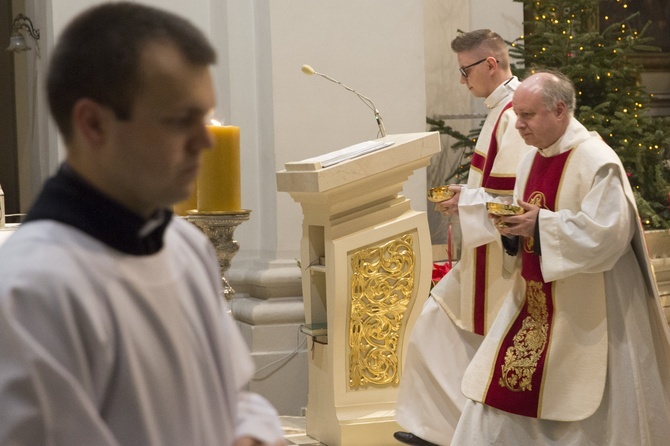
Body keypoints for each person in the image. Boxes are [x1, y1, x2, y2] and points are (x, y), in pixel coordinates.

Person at [0, 3, 285, 446]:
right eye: (179, 121)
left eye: (205, 118)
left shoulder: (185, 245)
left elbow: (234, 402)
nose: (206, 142)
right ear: (93, 123)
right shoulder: (31, 288)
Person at [453, 70, 670, 445]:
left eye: (527, 115)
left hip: (592, 306)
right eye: (516, 115)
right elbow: (526, 218)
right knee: (496, 392)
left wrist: (541, 226)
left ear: (559, 110)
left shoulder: (595, 160)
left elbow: (607, 236)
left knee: (591, 405)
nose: (517, 125)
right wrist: (513, 231)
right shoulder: (530, 160)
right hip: (537, 302)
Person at [394, 29, 532, 446]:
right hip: (482, 253)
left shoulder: (514, 111)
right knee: (435, 332)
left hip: (501, 259)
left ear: (491, 63)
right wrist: (465, 197)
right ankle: (448, 431)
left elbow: (516, 196)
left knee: (449, 335)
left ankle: (462, 433)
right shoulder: (499, 108)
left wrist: (465, 202)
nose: (462, 80)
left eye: (466, 70)